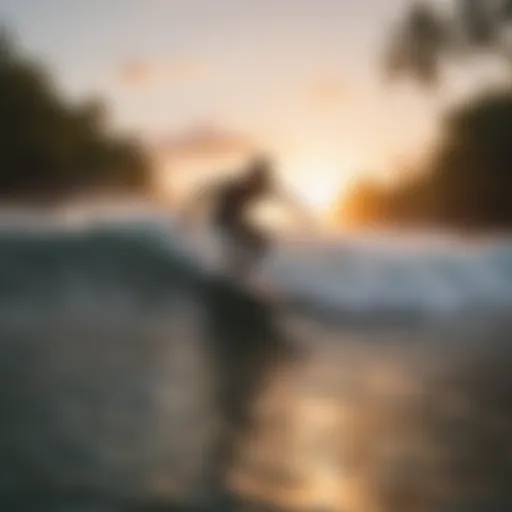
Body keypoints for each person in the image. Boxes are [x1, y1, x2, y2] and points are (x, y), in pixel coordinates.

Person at [180, 154, 312, 280]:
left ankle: (237, 275)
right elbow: (207, 190)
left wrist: (305, 220)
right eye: (258, 174)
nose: (261, 178)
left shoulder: (265, 185)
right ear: (253, 173)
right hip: (224, 218)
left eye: (263, 175)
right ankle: (229, 273)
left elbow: (288, 199)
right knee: (244, 244)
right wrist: (189, 213)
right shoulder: (239, 183)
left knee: (260, 243)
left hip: (237, 220)